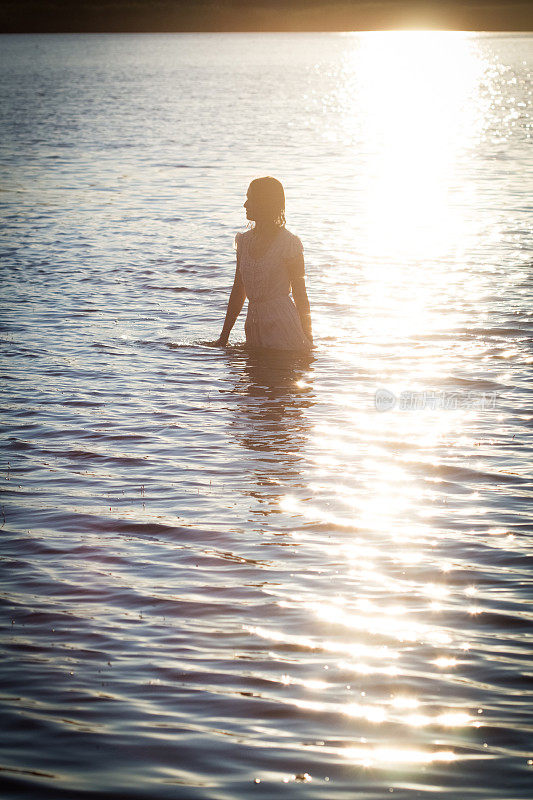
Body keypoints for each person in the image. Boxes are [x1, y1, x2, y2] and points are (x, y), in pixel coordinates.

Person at [215, 177, 313, 351]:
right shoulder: (244, 242)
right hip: (254, 324)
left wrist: (309, 339)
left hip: (283, 325)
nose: (245, 204)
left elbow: (300, 294)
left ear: (264, 202)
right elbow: (238, 289)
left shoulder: (289, 243)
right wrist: (224, 337)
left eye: (250, 198)